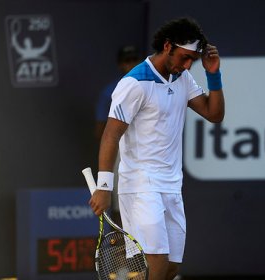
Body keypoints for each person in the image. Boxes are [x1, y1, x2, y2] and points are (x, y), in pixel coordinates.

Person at [89, 17, 225, 280]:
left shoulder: (183, 78)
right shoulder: (134, 83)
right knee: (156, 263)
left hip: (171, 185)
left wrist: (213, 73)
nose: (187, 66)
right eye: (184, 58)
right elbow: (110, 135)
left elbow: (214, 113)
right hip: (140, 185)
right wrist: (104, 186)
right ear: (167, 46)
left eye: (192, 61)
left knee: (171, 268)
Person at [95, 45, 141, 221]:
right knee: (120, 203)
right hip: (121, 151)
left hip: (147, 150)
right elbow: (101, 131)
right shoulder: (110, 92)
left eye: (134, 60)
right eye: (127, 61)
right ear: (120, 65)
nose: (131, 65)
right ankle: (122, 243)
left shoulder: (148, 86)